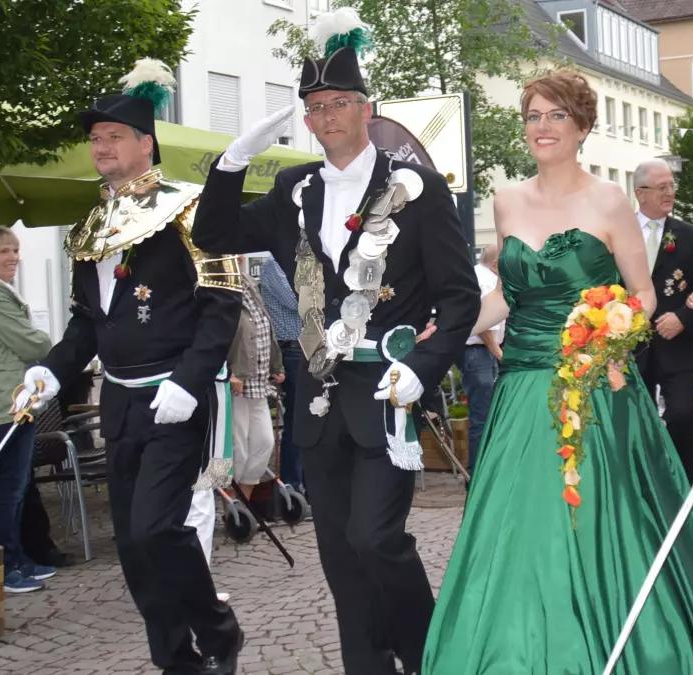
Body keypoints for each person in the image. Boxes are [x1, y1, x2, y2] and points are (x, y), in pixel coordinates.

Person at [422, 69, 693, 674]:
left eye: (555, 115)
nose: (542, 127)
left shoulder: (610, 201)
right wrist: (451, 326)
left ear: (582, 126)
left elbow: (642, 296)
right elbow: (509, 298)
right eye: (533, 116)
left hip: (595, 387)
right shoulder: (507, 200)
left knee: (597, 519)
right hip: (522, 391)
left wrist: (609, 333)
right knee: (519, 528)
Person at [191, 12, 479, 674]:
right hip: (320, 397)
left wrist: (425, 368)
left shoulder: (418, 189)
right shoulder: (295, 188)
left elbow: (460, 296)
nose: (327, 116)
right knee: (339, 556)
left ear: (365, 108)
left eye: (339, 103)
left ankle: (427, 650)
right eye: (315, 107)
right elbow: (213, 233)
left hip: (386, 392)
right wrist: (233, 163)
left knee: (376, 539)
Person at [14, 59, 245, 674]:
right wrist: (52, 371)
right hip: (118, 401)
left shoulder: (191, 208)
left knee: (156, 529)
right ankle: (176, 661)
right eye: (94, 139)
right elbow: (88, 323)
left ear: (146, 143)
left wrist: (191, 381)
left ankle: (219, 631)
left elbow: (224, 305)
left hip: (177, 394)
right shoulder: (88, 226)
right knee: (134, 549)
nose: (100, 148)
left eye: (113, 136)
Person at [0, 226, 56, 593]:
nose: (14, 257)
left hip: (14, 399)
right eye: (5, 251)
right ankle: (5, 567)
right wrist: (41, 339)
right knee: (10, 488)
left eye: (16, 250)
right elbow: (34, 342)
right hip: (5, 401)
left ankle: (16, 558)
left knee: (16, 486)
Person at [632, 158, 693, 482]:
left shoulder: (690, 236)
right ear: (640, 193)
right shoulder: (619, 235)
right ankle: (646, 489)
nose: (669, 193)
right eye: (661, 187)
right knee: (637, 424)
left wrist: (685, 316)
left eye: (671, 185)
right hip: (630, 351)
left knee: (683, 417)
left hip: (678, 349)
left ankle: (684, 483)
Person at [228, 270, 284, 502]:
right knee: (234, 450)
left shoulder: (248, 284)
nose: (240, 256)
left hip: (258, 382)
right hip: (234, 384)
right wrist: (231, 372)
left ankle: (244, 504)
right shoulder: (218, 286)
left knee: (264, 443)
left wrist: (276, 364)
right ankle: (226, 502)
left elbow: (264, 328)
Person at [256, 254, 305, 495]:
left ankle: (305, 485)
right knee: (297, 420)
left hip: (305, 347)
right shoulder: (274, 265)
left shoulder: (298, 263)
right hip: (291, 349)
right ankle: (291, 485)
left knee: (307, 418)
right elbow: (299, 302)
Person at [457, 243, 504, 473]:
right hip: (479, 352)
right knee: (483, 416)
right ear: (496, 264)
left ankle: (480, 471)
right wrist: (498, 352)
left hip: (476, 352)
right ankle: (479, 473)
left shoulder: (478, 275)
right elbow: (484, 322)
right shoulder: (486, 281)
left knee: (483, 414)